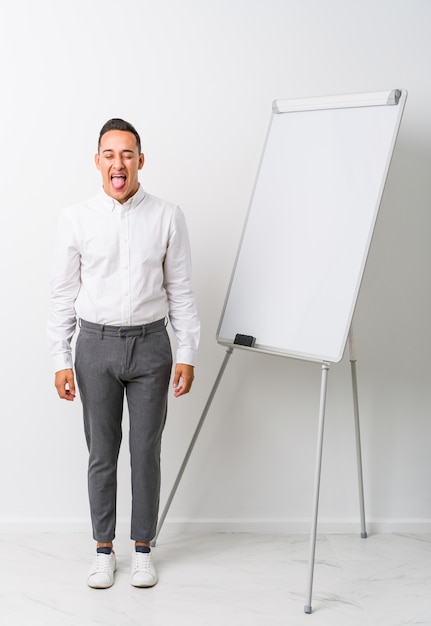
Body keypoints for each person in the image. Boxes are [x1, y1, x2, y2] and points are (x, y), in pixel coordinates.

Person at [47, 118, 200, 589]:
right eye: (110, 155)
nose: (119, 164)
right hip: (94, 347)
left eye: (127, 155)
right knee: (102, 454)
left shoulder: (167, 215)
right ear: (98, 162)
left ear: (140, 161)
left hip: (152, 345)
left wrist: (187, 350)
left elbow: (181, 290)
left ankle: (143, 550)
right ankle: (102, 550)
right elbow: (61, 294)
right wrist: (60, 359)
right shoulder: (76, 218)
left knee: (145, 452)